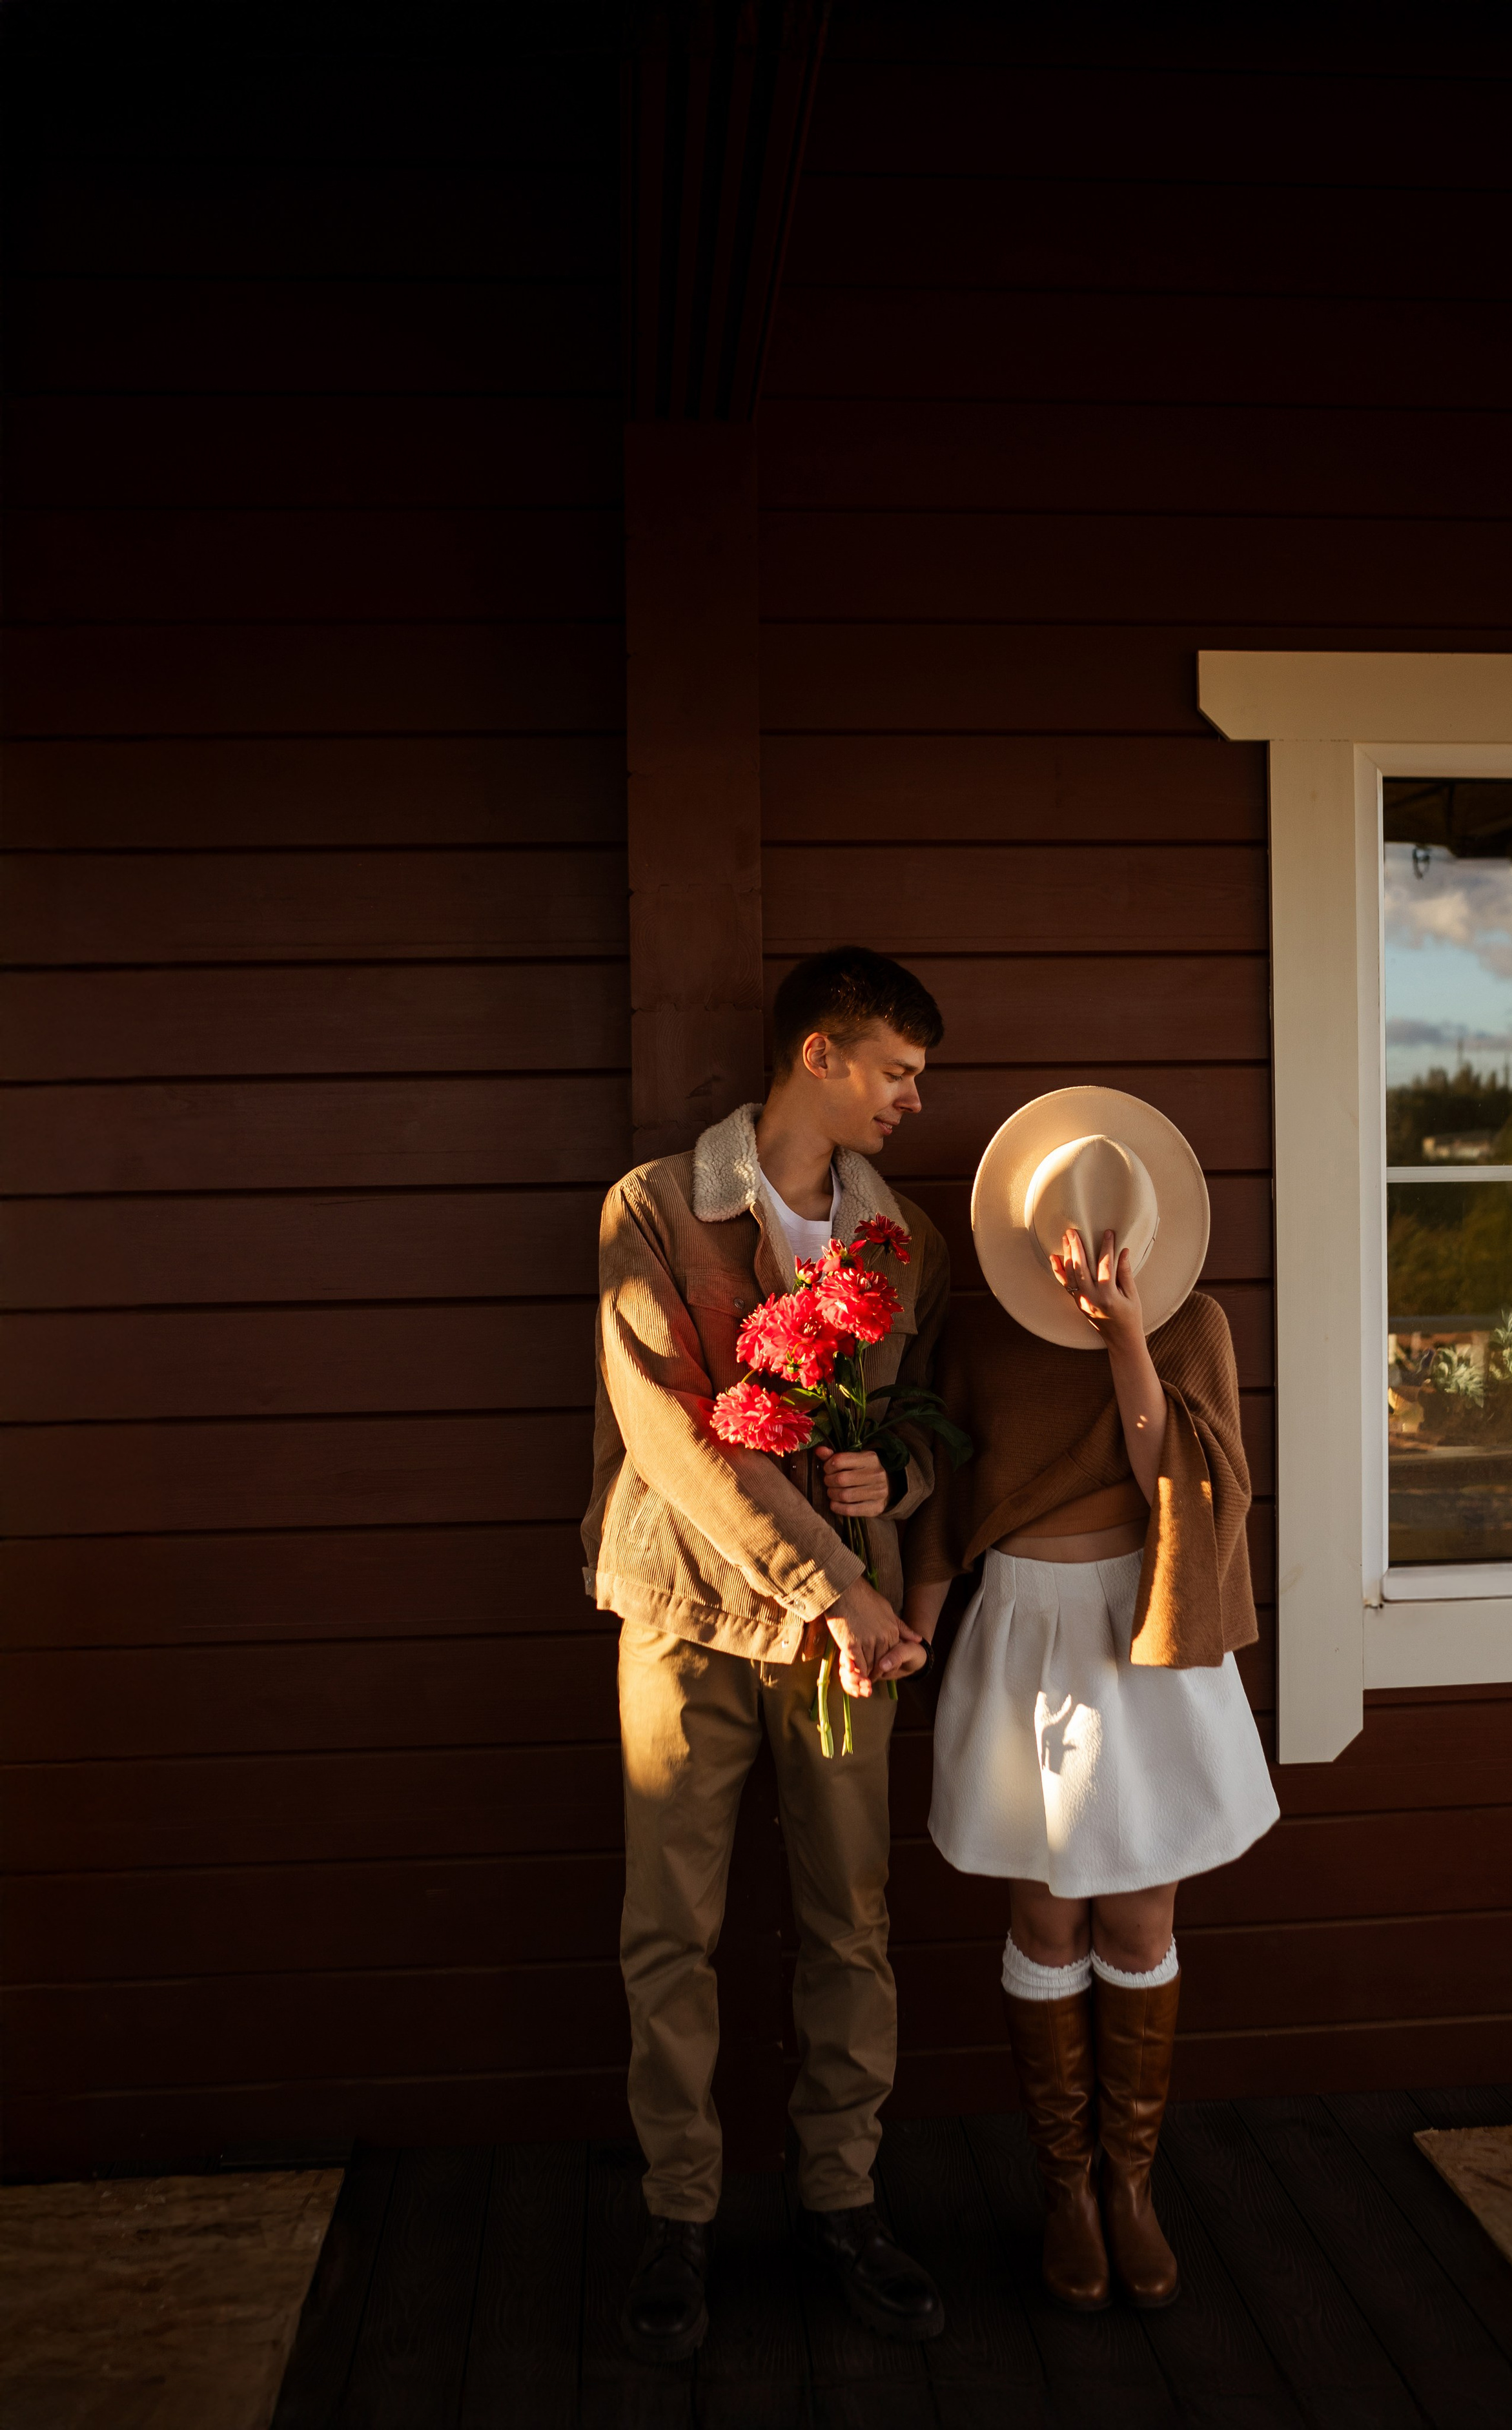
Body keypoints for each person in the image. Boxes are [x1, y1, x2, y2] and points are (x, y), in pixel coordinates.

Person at [584, 946, 950, 2361]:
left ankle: (840, 2202)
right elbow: (670, 1435)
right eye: (897, 1071)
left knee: (848, 1919)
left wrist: (892, 1496)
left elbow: (917, 1424)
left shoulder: (902, 1237)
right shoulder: (657, 1207)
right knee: (669, 1928)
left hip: (844, 1641)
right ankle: (678, 2216)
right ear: (820, 1055)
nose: (913, 1101)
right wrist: (829, 1584)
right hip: (686, 1612)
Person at [893, 1087, 1279, 2313]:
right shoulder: (980, 1337)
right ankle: (1062, 2186)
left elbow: (1183, 1485)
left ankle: (1131, 2185)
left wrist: (1124, 1334)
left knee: (1139, 1925)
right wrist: (912, 1620)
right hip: (1021, 1632)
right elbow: (950, 1509)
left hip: (1145, 1634)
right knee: (1048, 1925)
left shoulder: (1196, 1326)